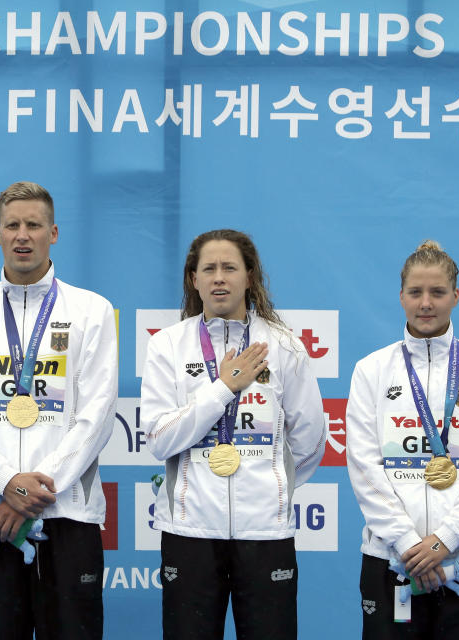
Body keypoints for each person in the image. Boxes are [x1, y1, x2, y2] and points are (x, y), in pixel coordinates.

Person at [0, 181, 118, 639]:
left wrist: (30, 494)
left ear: (54, 233)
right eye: (12, 225)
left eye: (34, 225)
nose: (22, 235)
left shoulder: (93, 311)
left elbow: (96, 418)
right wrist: (6, 484)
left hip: (68, 514)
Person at [141, 229, 326, 640]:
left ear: (249, 276)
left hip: (265, 532)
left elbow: (311, 440)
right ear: (194, 279)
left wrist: (272, 490)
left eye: (229, 268)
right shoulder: (168, 346)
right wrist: (224, 387)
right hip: (190, 532)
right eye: (208, 268)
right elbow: (157, 439)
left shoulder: (283, 346)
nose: (219, 277)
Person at [346, 240, 459, 639]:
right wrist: (409, 543)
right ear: (401, 296)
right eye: (416, 292)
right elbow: (365, 468)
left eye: (437, 292)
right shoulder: (371, 370)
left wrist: (445, 541)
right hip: (391, 559)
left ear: (455, 296)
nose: (426, 303)